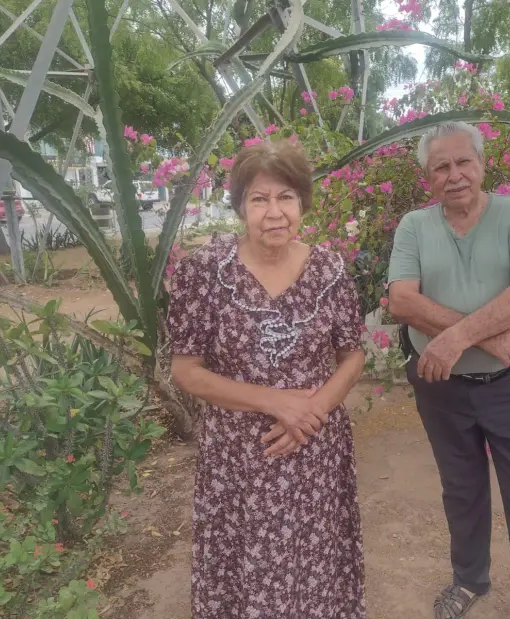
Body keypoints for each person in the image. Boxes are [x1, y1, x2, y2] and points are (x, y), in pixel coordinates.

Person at [168, 140, 367, 619]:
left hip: (315, 452)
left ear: (302, 204)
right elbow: (185, 370)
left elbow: (353, 355)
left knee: (316, 568)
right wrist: (276, 402)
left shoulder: (330, 270)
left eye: (286, 198)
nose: (274, 212)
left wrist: (310, 412)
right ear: (240, 207)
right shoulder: (204, 273)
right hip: (239, 459)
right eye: (259, 199)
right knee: (243, 574)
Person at [387, 122, 510, 619]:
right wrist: (484, 333)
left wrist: (456, 337)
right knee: (461, 490)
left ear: (482, 165)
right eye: (440, 167)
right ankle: (470, 581)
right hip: (443, 388)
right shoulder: (414, 226)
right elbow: (402, 299)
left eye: (464, 162)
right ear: (428, 177)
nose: (454, 175)